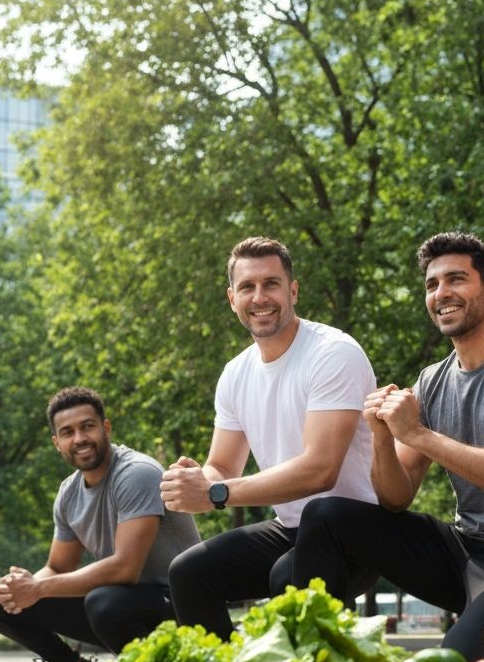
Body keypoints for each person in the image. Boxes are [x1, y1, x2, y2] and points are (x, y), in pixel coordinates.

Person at [293, 231, 484, 662]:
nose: (441, 293)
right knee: (326, 515)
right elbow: (395, 497)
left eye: (456, 280)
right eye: (432, 284)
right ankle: (314, 661)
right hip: (462, 549)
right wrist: (383, 438)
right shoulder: (432, 379)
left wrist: (420, 434)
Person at [161, 236, 376, 639]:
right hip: (292, 526)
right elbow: (222, 465)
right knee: (188, 574)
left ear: (292, 290)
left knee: (287, 572)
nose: (260, 297)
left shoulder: (333, 352)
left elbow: (320, 470)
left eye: (271, 284)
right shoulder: (236, 373)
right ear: (232, 298)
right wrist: (197, 479)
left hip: (355, 530)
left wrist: (217, 494)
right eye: (247, 287)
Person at [0, 387, 200, 662]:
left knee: (104, 602)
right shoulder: (69, 494)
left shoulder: (136, 473)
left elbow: (126, 569)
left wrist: (39, 589)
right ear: (57, 443)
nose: (79, 438)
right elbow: (57, 567)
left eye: (87, 426)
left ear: (105, 428)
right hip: (120, 604)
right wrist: (21, 588)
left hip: (178, 605)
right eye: (67, 432)